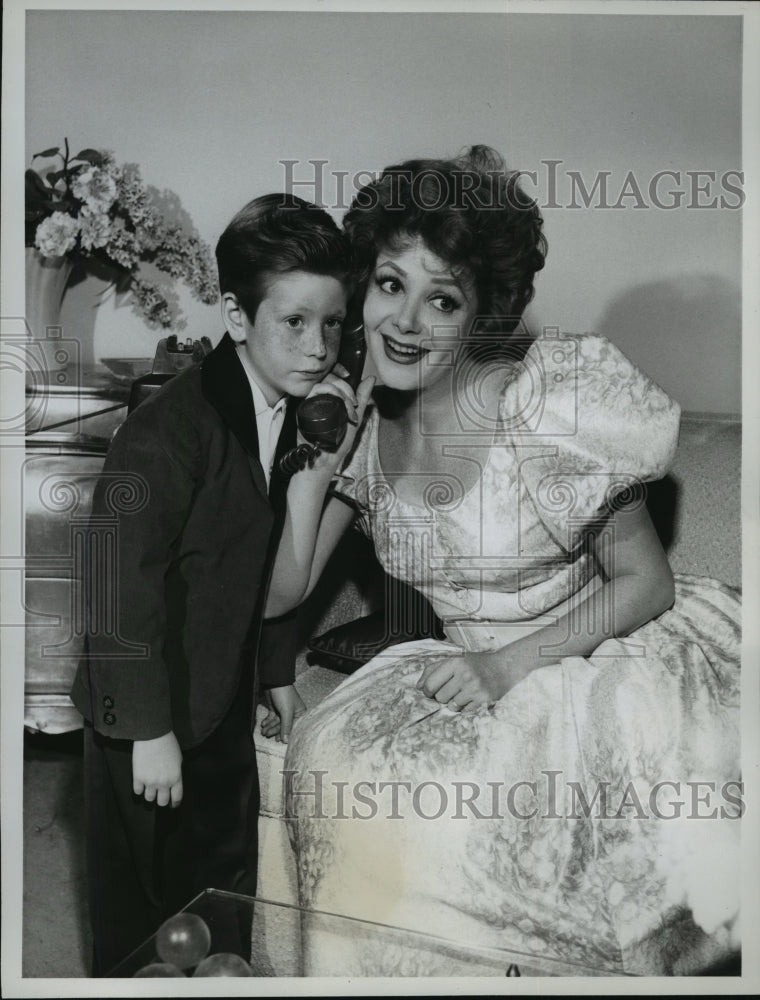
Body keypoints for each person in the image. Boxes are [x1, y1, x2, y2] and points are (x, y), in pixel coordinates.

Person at [263, 147, 741, 976]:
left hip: (598, 655)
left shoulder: (545, 404)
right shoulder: (364, 430)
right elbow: (284, 593)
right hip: (461, 661)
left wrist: (505, 666)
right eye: (389, 284)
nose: (406, 322)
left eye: (441, 298)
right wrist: (318, 461)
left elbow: (647, 581)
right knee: (342, 781)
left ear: (480, 314)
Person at [70, 193, 351, 975]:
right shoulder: (168, 429)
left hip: (219, 694)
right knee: (143, 908)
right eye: (293, 322)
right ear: (236, 315)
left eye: (332, 323)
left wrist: (272, 671)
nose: (318, 346)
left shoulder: (290, 411)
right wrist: (146, 730)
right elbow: (116, 580)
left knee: (221, 891)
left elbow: (253, 568)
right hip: (147, 708)